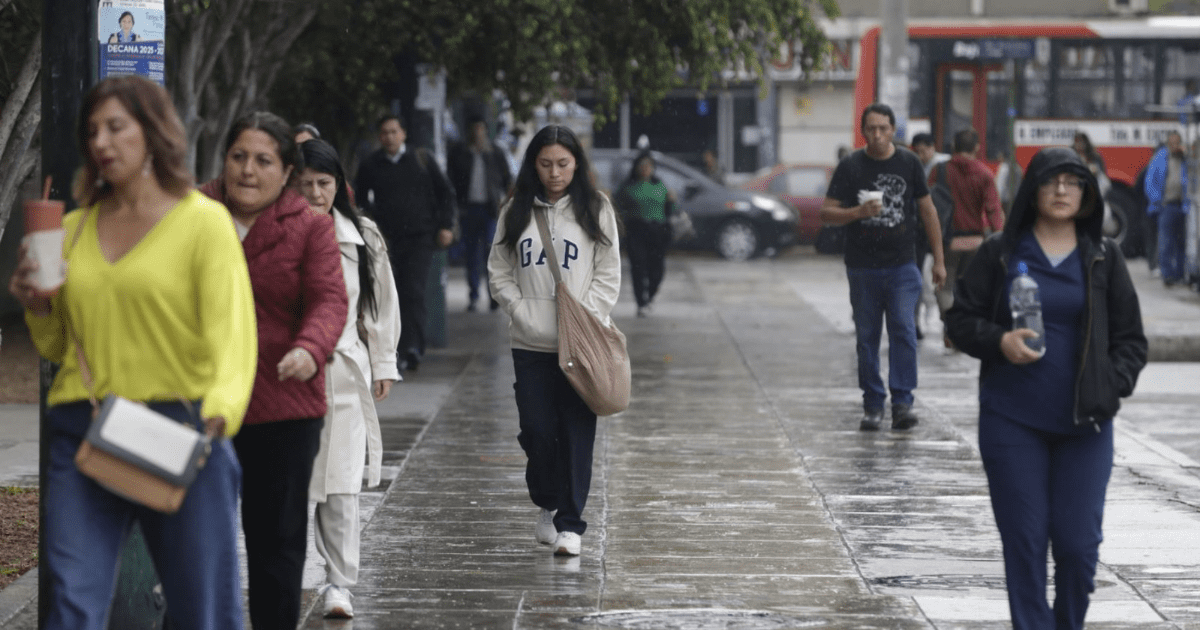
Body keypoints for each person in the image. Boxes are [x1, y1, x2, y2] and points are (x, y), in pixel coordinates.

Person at [8, 75, 255, 629]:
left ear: (153, 132)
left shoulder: (203, 223)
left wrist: (219, 411)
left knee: (203, 612)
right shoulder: (71, 229)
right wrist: (38, 306)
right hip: (85, 428)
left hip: (183, 428)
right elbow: (57, 346)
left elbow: (233, 336)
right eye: (92, 131)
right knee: (71, 602)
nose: (101, 142)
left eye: (116, 127)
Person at [945, 146, 1147, 630]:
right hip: (1012, 422)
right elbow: (959, 321)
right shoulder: (1001, 252)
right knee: (1026, 544)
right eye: (1051, 181)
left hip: (1086, 426)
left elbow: (1131, 341)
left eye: (1072, 182)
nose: (1061, 191)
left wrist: (1111, 385)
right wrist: (1000, 341)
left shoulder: (1104, 255)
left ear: (1086, 193)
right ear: (1033, 190)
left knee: (1078, 549)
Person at [200, 111, 348, 630]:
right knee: (193, 547)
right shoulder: (193, 213)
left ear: (286, 171)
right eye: (238, 156)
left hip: (283, 405)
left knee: (276, 549)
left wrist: (311, 347)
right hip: (201, 403)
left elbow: (330, 299)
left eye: (264, 160)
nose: (247, 170)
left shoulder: (309, 226)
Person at [487, 124, 621, 557]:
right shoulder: (515, 210)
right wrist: (519, 309)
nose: (554, 172)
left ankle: (571, 524)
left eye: (562, 164)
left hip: (579, 341)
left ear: (577, 164)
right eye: (545, 164)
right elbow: (499, 269)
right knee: (538, 431)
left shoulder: (595, 208)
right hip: (529, 343)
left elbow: (608, 271)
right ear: (533, 165)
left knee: (577, 431)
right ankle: (546, 499)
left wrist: (589, 314)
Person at [297, 139, 401, 619]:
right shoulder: (273, 233)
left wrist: (382, 362)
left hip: (341, 369)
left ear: (339, 185)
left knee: (341, 484)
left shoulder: (363, 236)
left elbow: (380, 304)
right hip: (286, 376)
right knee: (291, 485)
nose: (316, 194)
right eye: (306, 184)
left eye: (325, 184)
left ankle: (340, 582)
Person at [820, 103, 947, 432]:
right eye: (871, 129)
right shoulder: (850, 166)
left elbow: (928, 211)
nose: (877, 135)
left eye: (883, 129)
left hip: (903, 265)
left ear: (893, 131)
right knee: (867, 338)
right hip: (862, 266)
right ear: (863, 131)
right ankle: (873, 404)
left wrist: (939, 259)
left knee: (904, 330)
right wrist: (856, 214)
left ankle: (902, 402)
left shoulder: (909, 162)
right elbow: (827, 212)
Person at [355, 114, 455, 371]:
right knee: (390, 293)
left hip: (420, 237)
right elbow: (361, 200)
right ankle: (393, 348)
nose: (389, 137)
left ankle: (413, 346)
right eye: (384, 132)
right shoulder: (372, 165)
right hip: (386, 239)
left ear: (403, 134)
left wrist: (445, 225)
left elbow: (445, 193)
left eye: (393, 131)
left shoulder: (422, 160)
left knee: (414, 290)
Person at [935, 129, 1005, 324]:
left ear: (953, 146)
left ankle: (950, 326)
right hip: (975, 241)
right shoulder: (984, 173)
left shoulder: (940, 170)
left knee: (945, 287)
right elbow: (993, 210)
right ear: (977, 147)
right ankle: (961, 329)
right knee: (967, 288)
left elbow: (927, 204)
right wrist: (1001, 238)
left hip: (948, 240)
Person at [447, 115, 513, 311]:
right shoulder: (460, 153)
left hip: (490, 209)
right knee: (471, 255)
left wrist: (505, 203)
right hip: (468, 209)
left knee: (491, 253)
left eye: (482, 128)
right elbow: (451, 179)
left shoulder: (495, 153)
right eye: (475, 129)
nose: (479, 133)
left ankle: (493, 296)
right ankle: (473, 295)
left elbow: (508, 179)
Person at [614, 150, 674, 316]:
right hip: (636, 230)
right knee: (638, 267)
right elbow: (617, 207)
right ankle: (641, 302)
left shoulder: (659, 185)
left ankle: (651, 295)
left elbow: (670, 210)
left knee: (658, 269)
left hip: (657, 231)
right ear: (636, 168)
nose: (645, 169)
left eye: (649, 166)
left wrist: (672, 202)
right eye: (642, 166)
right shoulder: (628, 187)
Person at [1144, 131, 1190, 287]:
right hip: (1167, 205)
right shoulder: (1160, 158)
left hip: (1183, 205)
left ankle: (1180, 273)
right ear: (1168, 144)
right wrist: (1157, 201)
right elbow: (1150, 181)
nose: (1175, 146)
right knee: (1166, 242)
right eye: (1172, 143)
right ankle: (1168, 274)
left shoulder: (1185, 159)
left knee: (1181, 242)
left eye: (1178, 142)